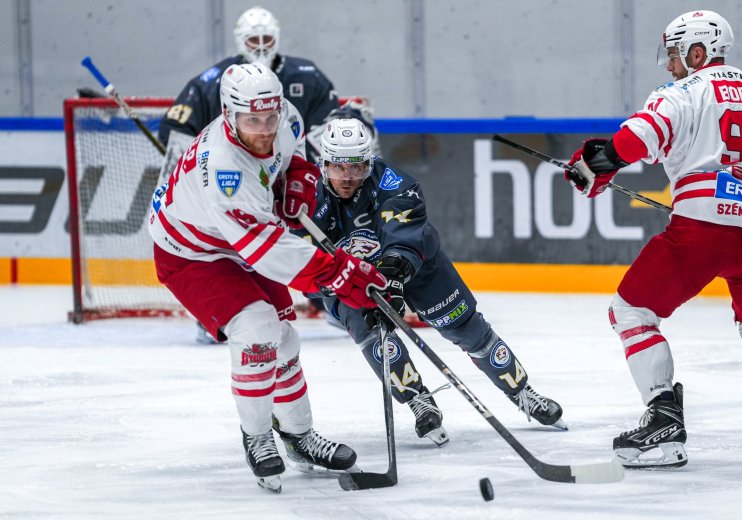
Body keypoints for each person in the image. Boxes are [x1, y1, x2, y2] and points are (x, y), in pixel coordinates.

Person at [148, 62, 388, 493]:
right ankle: (257, 437)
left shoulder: (284, 116)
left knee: (286, 339)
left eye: (269, 118)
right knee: (258, 330)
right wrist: (338, 272)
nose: (263, 130)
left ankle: (299, 437)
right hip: (192, 252)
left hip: (238, 238)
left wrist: (297, 181)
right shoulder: (225, 170)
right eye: (251, 121)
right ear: (228, 114)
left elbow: (292, 155)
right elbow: (267, 250)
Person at [564, 10, 742, 468]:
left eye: (676, 54)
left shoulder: (683, 92)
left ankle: (663, 419)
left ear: (698, 52)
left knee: (631, 311)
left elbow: (638, 138)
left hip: (703, 228)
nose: (670, 65)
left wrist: (598, 163)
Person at [300, 118, 566, 446]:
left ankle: (522, 391)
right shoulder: (305, 196)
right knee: (374, 337)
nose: (348, 176)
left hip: (415, 267)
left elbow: (404, 237)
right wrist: (340, 286)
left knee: (465, 326)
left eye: (356, 167)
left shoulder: (395, 184)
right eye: (339, 167)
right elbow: (299, 261)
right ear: (324, 163)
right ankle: (418, 401)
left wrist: (393, 279)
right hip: (350, 279)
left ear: (369, 162)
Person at [158, 5, 339, 173]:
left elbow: (327, 135)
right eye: (253, 40)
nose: (261, 47)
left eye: (266, 39)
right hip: (233, 176)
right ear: (240, 40)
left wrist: (305, 173)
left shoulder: (309, 77)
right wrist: (207, 169)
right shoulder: (211, 82)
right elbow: (175, 129)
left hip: (291, 178)